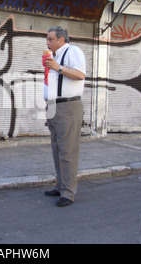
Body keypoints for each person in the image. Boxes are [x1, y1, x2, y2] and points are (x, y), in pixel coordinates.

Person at [43, 26, 86, 207]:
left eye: (50, 39)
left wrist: (58, 67)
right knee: (57, 150)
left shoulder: (72, 51)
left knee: (68, 151)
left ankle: (68, 192)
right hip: (53, 107)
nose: (47, 42)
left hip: (68, 106)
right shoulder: (54, 56)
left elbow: (80, 74)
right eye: (47, 39)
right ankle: (60, 186)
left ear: (61, 39)